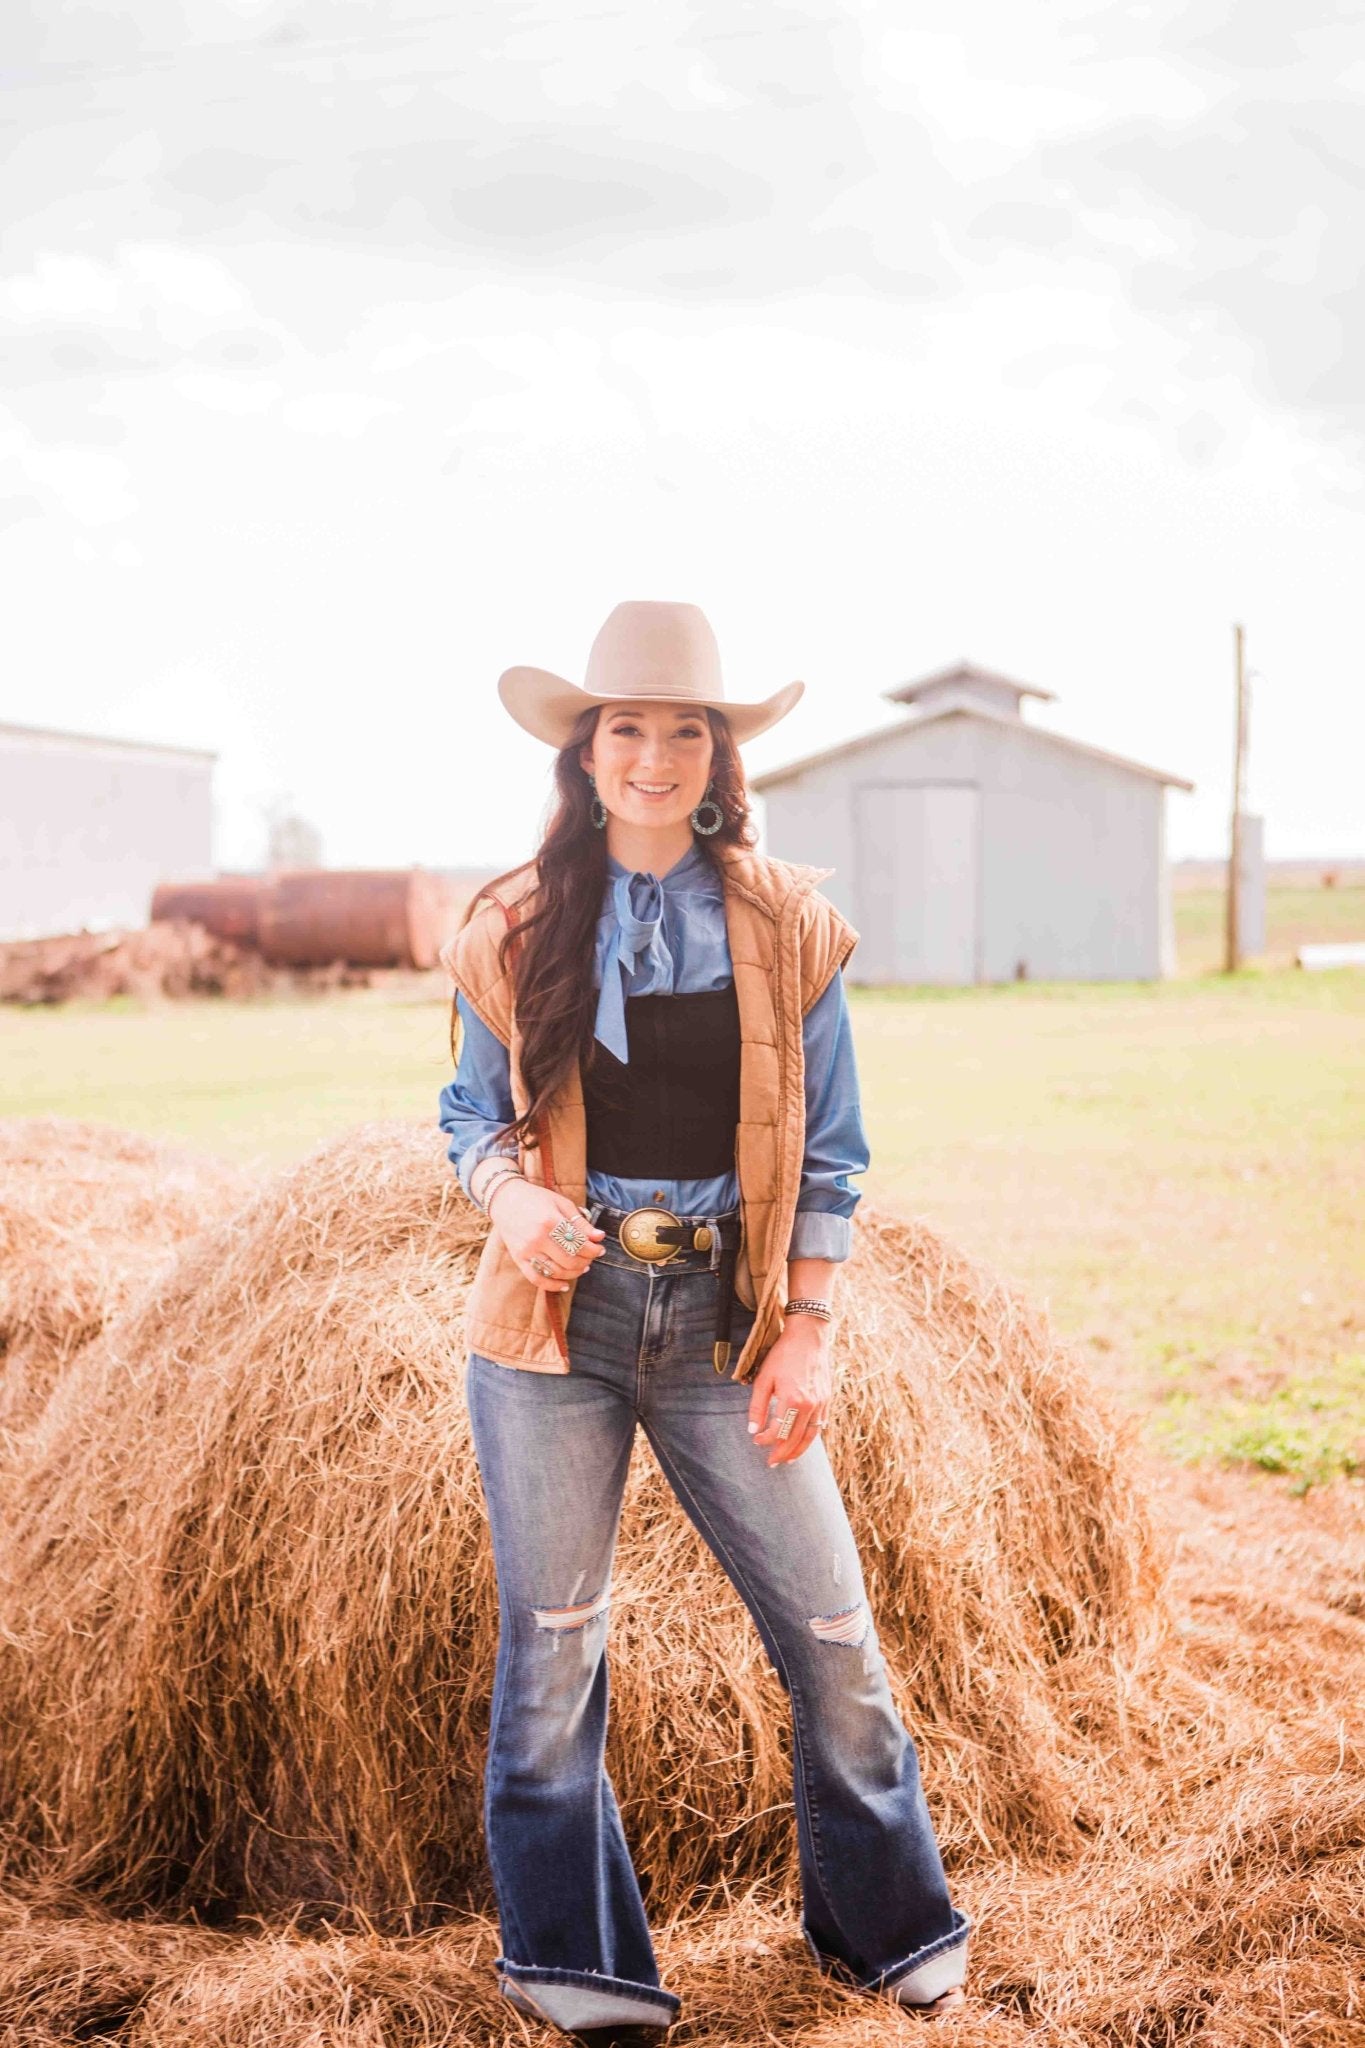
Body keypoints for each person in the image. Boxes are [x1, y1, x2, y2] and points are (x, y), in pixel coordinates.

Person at [438, 601, 970, 2046]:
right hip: (557, 1324)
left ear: (719, 753)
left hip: (727, 1322)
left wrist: (806, 1323)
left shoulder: (789, 921)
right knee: (552, 1649)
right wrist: (508, 1200)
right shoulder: (511, 920)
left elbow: (838, 1148)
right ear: (585, 752)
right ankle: (582, 1968)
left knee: (834, 1633)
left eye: (687, 729)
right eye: (628, 728)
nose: (656, 755)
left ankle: (888, 1929)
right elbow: (466, 1118)